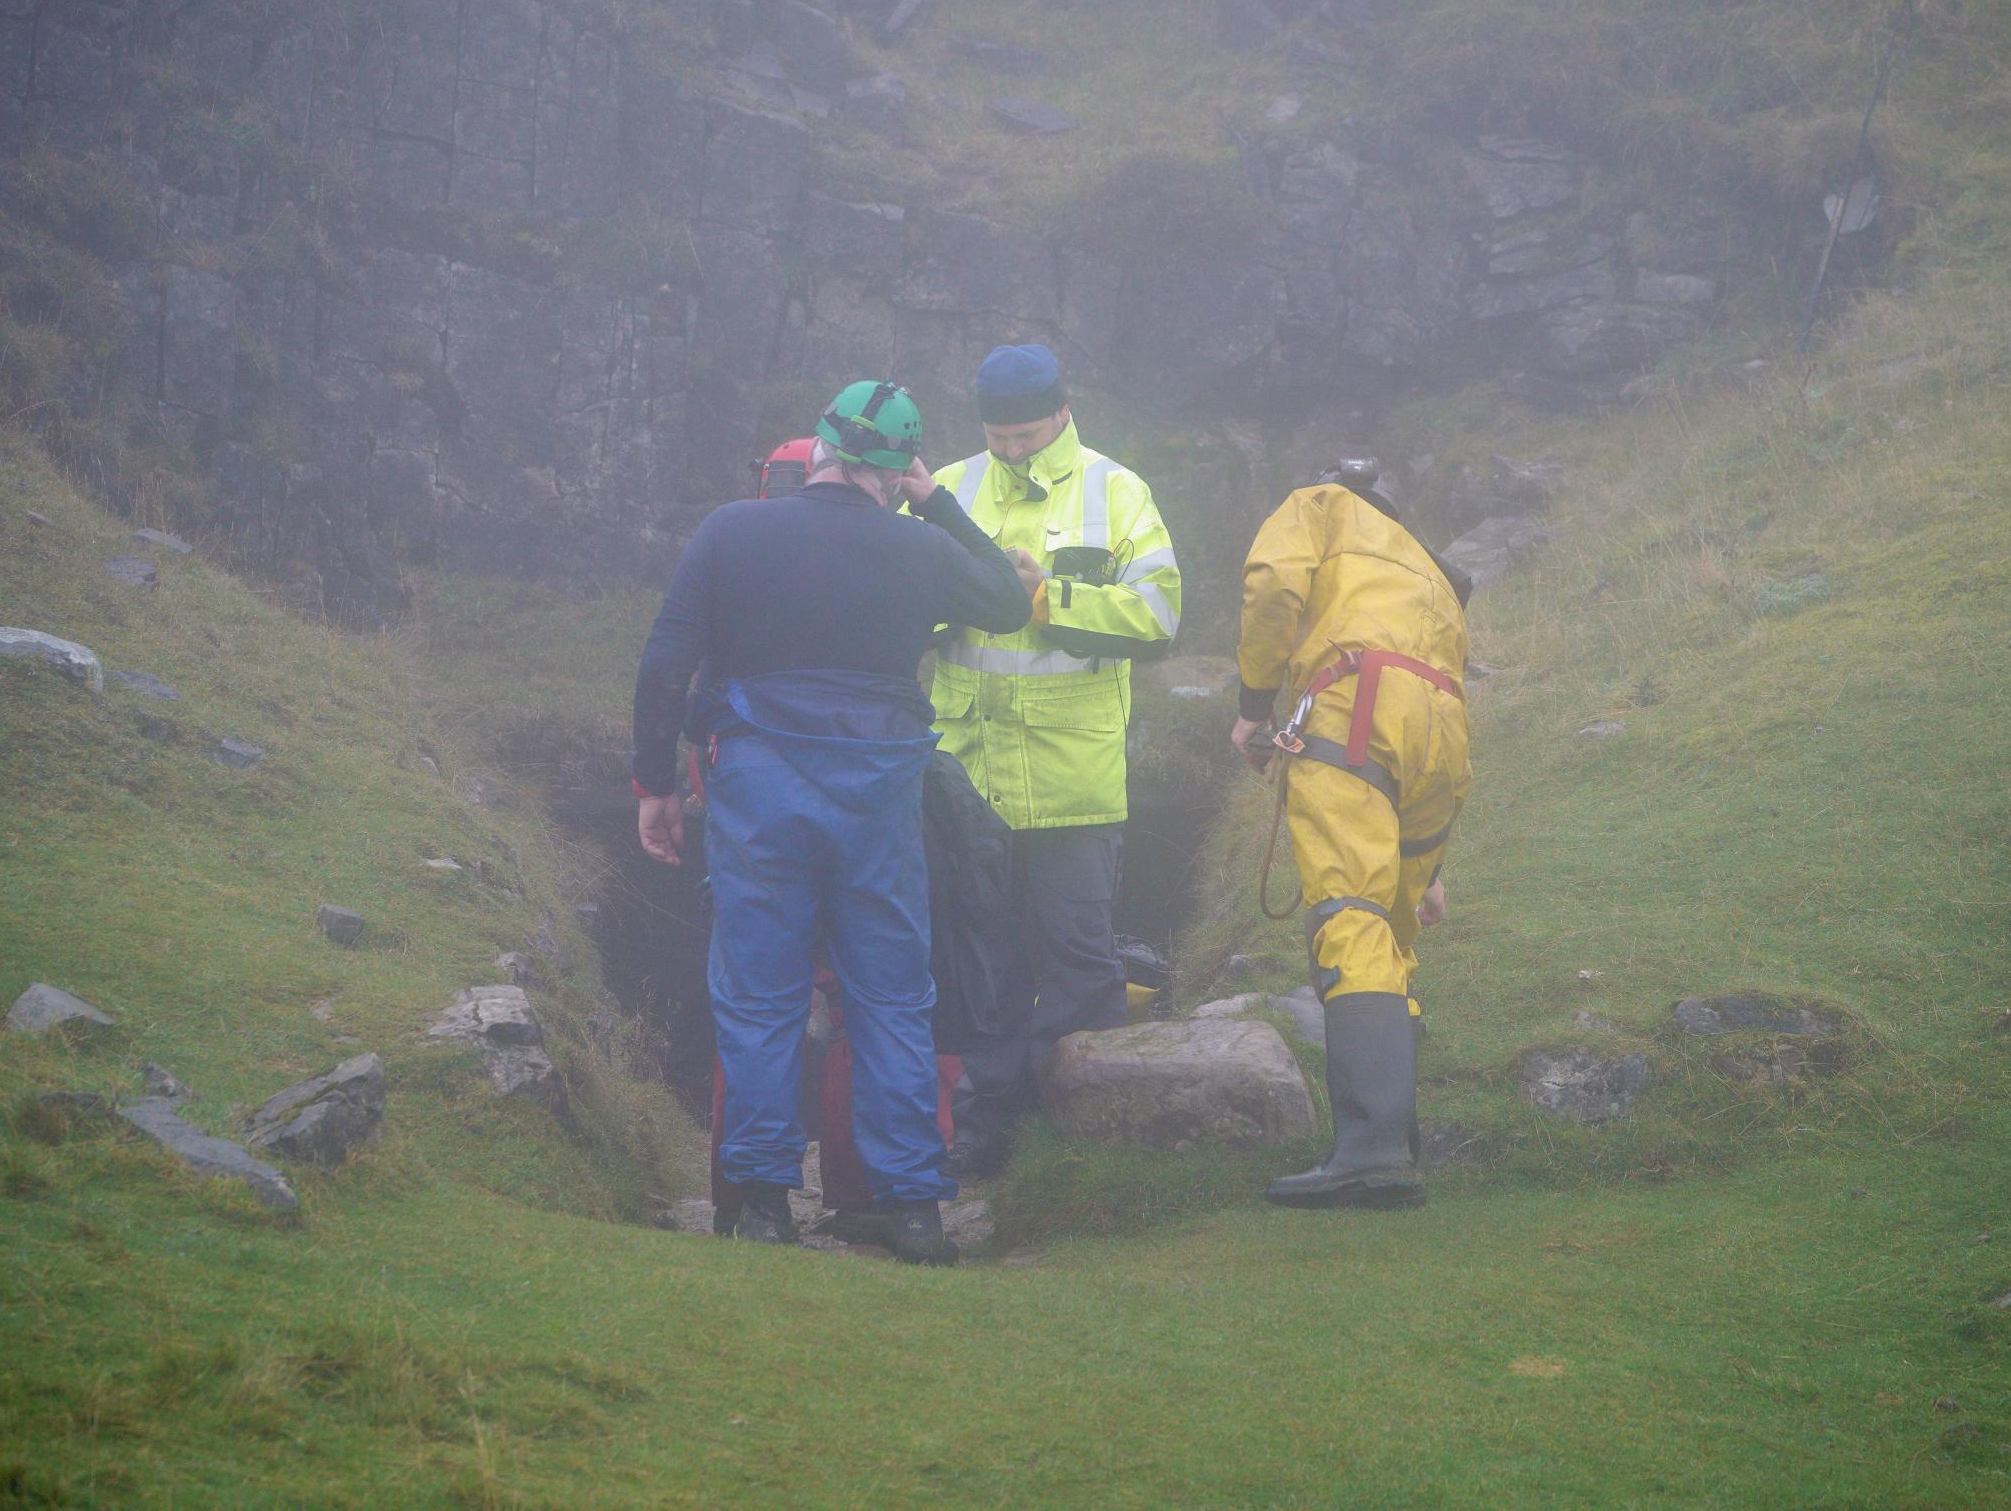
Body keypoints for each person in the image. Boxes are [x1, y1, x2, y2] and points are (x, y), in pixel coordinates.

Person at [631, 381, 1033, 1261]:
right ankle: (916, 1209)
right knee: (890, 995)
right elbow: (1007, 598)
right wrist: (937, 502)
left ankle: (765, 1202)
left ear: (817, 447)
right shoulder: (916, 547)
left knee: (762, 994)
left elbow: (666, 663)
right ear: (897, 469)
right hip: (877, 802)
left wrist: (653, 784)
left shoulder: (732, 531)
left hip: (759, 794)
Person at [924, 344, 1183, 1177]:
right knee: (982, 967)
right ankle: (986, 1138)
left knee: (1080, 959)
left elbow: (1157, 618)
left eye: (1026, 434)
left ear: (1063, 414)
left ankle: (1089, 1140)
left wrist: (1043, 597)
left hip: (1074, 784)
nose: (1010, 451)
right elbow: (890, 591)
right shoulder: (948, 491)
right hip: (970, 782)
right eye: (997, 437)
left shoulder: (1117, 490)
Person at [1229, 460, 1473, 1210]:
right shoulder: (1424, 564)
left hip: (1355, 705)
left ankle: (1369, 1149)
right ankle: (1400, 1134)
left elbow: (1274, 583)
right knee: (1392, 925)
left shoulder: (1320, 505)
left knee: (1350, 915)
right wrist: (1429, 868)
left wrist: (1253, 703)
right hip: (1443, 728)